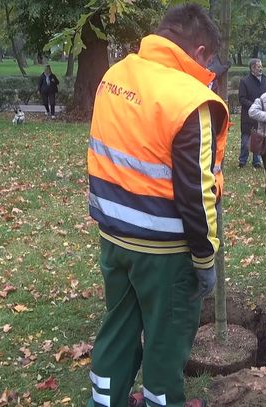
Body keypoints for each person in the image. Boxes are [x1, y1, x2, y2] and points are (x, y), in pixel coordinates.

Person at [86, 4, 229, 407]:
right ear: (199, 51)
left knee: (119, 327)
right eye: (210, 60)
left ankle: (105, 401)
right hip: (165, 250)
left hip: (113, 236)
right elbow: (196, 192)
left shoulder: (116, 76)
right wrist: (204, 260)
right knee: (166, 339)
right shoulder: (190, 99)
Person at [238, 58, 266, 168]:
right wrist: (254, 107)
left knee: (259, 138)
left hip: (261, 115)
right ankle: (242, 160)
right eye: (258, 67)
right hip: (248, 116)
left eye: (261, 66)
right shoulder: (245, 81)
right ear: (252, 68)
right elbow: (242, 98)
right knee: (245, 140)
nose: (260, 68)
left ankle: (257, 161)